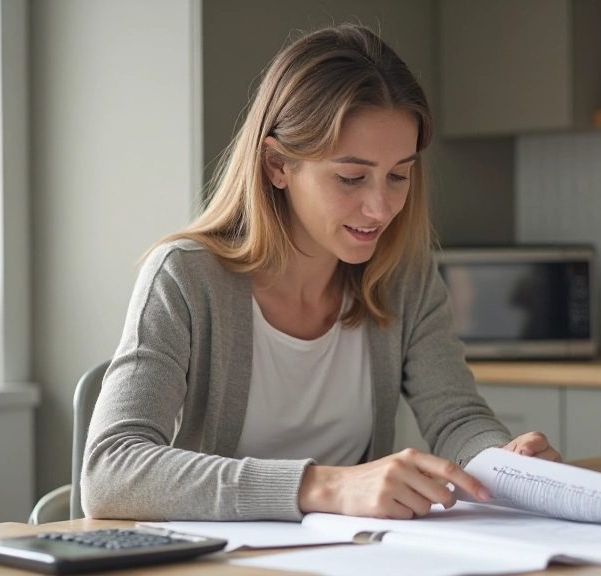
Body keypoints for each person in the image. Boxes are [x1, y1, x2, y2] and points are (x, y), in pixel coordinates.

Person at [81, 23, 560, 523]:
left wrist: (502, 461)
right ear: (276, 165)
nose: (380, 207)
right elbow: (110, 470)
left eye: (399, 175)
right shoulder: (185, 278)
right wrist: (324, 484)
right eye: (351, 177)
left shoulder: (403, 277)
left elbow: (457, 416)